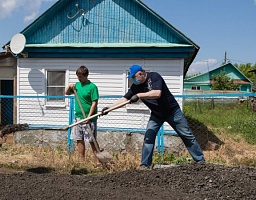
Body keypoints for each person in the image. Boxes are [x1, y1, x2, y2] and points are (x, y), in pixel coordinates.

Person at [101, 64, 205, 169]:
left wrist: (139, 95)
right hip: (157, 114)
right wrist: (109, 108)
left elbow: (157, 93)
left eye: (134, 77)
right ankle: (145, 165)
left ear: (140, 73)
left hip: (172, 112)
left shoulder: (154, 77)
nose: (133, 79)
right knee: (148, 137)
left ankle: (200, 161)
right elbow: (124, 99)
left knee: (186, 135)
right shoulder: (135, 87)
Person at [65, 65, 101, 166]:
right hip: (78, 117)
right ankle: (81, 162)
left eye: (80, 77)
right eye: (78, 76)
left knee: (91, 140)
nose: (79, 78)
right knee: (79, 139)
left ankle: (98, 161)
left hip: (90, 118)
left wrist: (89, 117)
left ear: (86, 76)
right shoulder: (77, 85)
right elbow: (67, 93)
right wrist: (69, 86)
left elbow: (94, 102)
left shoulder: (92, 87)